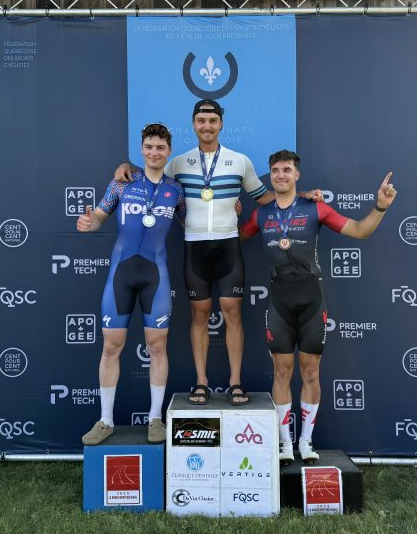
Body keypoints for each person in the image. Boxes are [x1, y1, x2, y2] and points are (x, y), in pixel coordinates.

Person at [115, 100, 322, 406]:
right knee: (199, 316)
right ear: (194, 124)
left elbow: (263, 196)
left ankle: (234, 383)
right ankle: (201, 383)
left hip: (228, 245)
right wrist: (126, 167)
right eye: (201, 120)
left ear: (221, 124)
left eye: (212, 120)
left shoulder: (239, 161)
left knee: (233, 314)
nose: (207, 125)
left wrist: (299, 195)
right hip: (194, 246)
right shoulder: (179, 162)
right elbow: (152, 172)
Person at [239, 150, 396, 464]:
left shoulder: (316, 208)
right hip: (279, 299)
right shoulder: (261, 214)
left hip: (311, 298)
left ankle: (306, 443)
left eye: (286, 170)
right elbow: (233, 239)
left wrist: (380, 206)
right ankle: (285, 445)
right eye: (275, 171)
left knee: (310, 372)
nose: (280, 175)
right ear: (270, 176)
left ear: (297, 175)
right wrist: (228, 213)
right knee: (281, 372)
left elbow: (360, 231)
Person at [78, 123, 185, 445]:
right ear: (142, 150)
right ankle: (105, 420)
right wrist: (89, 223)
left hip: (157, 275)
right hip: (121, 276)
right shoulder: (122, 182)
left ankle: (156, 418)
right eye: (149, 147)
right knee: (111, 347)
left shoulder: (176, 190)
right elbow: (98, 216)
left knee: (157, 347)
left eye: (160, 148)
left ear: (169, 152)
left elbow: (193, 221)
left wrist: (228, 211)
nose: (154, 153)